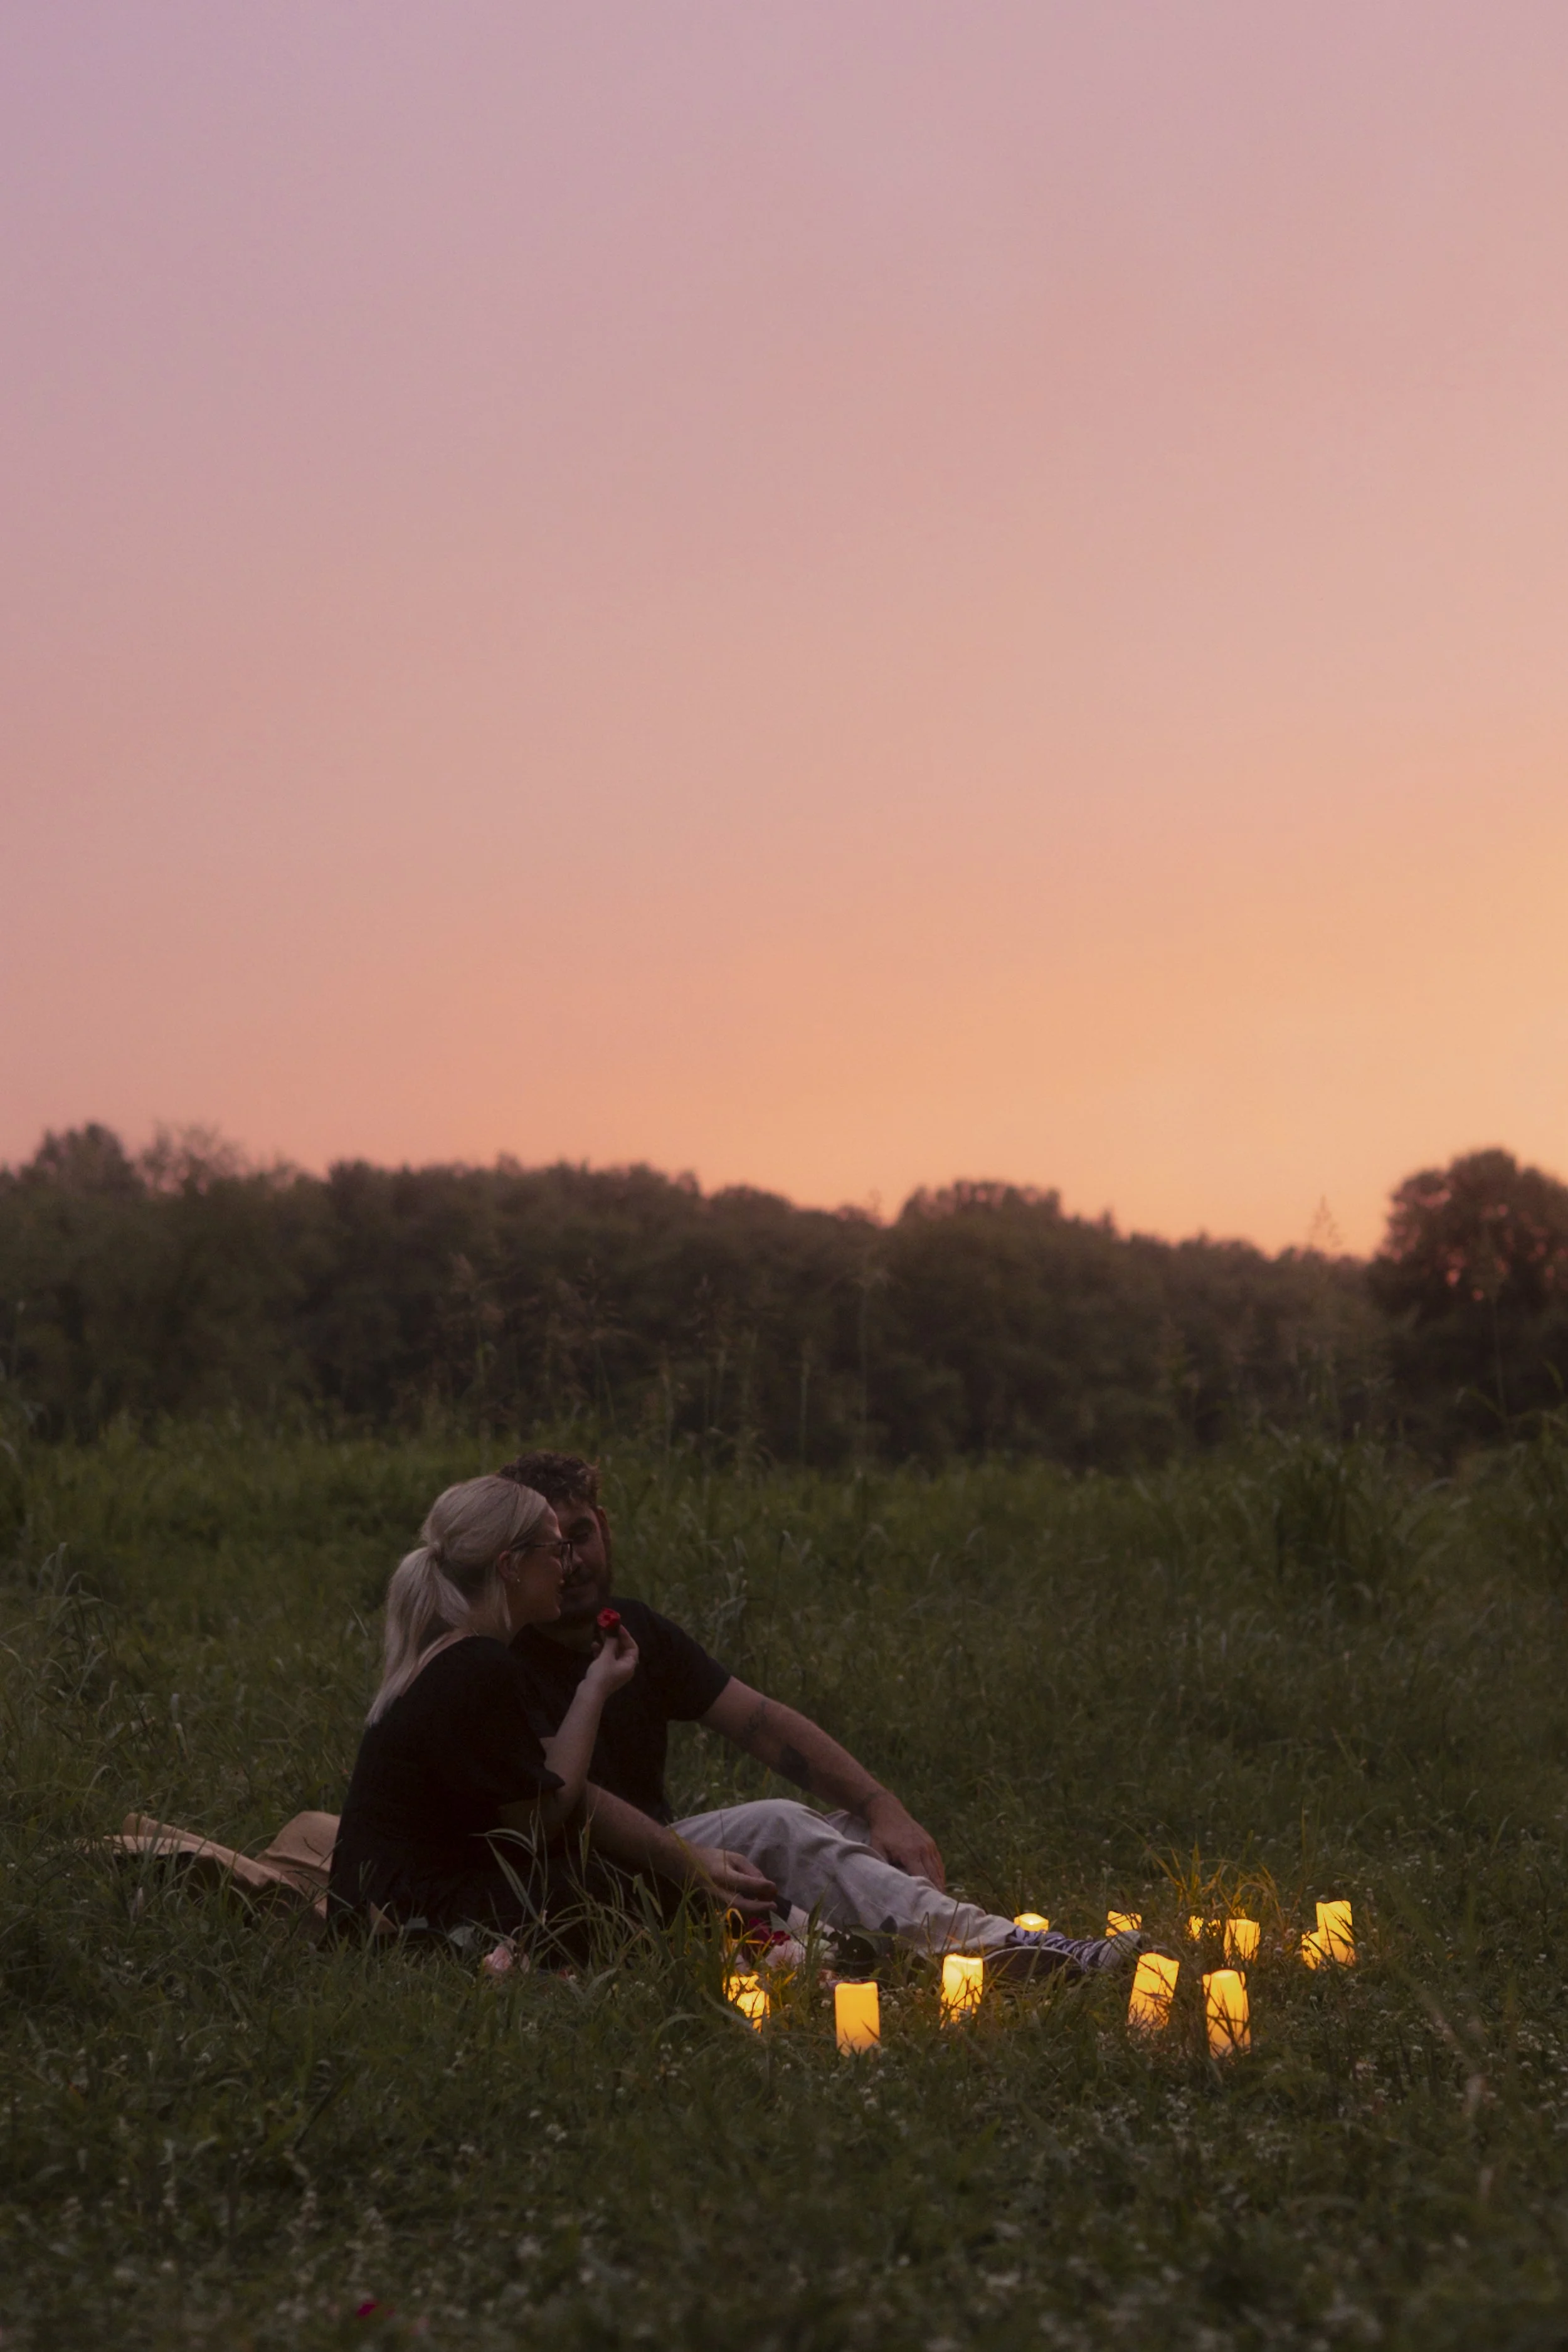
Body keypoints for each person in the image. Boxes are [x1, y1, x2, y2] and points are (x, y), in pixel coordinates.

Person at [496, 1451, 1139, 1977]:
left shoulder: (635, 1631)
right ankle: (1006, 1952)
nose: (572, 1563)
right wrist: (687, 1858)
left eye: (579, 1536)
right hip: (582, 1891)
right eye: (551, 1547)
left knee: (854, 1836)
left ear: (602, 1527)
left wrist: (881, 1805)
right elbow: (570, 1804)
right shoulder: (504, 1657)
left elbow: (761, 1724)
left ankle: (940, 1952)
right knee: (780, 1826)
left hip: (664, 1855)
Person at [329, 1474, 765, 1961]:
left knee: (603, 1878)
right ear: (510, 1566)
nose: (569, 1564)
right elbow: (539, 1824)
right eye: (556, 1549)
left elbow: (545, 1790)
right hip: (412, 1919)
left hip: (389, 1908)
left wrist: (595, 1684)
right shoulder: (477, 1665)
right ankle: (781, 1947)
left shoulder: (460, 1654)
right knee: (608, 1885)